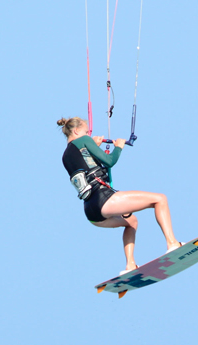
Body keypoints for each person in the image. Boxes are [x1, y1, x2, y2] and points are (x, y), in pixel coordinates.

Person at [58, 116, 181, 274]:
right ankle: (172, 244)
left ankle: (130, 265)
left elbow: (87, 166)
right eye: (86, 131)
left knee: (132, 222)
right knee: (160, 199)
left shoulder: (65, 155)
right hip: (104, 199)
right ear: (76, 131)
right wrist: (119, 146)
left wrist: (93, 147)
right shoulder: (84, 140)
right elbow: (109, 161)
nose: (88, 133)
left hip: (91, 211)